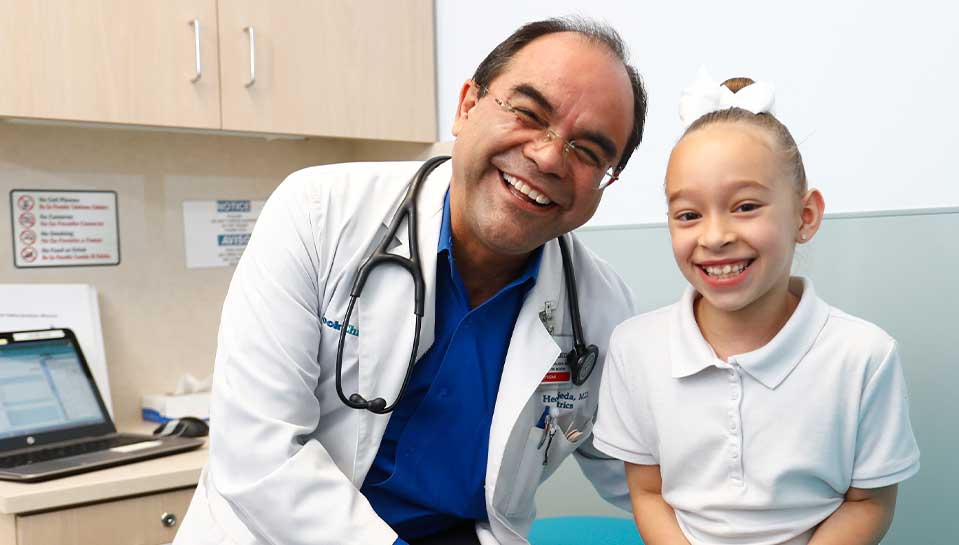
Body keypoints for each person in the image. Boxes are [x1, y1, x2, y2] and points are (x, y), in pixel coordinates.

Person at [173, 17, 648, 545]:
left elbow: (641, 474)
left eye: (588, 151)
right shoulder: (316, 213)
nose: (548, 156)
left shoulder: (599, 307)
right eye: (528, 113)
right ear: (467, 105)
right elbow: (258, 451)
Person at [592, 73, 920, 545]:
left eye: (745, 206)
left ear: (804, 216)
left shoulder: (863, 356)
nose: (715, 236)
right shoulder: (636, 349)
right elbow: (647, 490)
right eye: (688, 214)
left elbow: (869, 503)